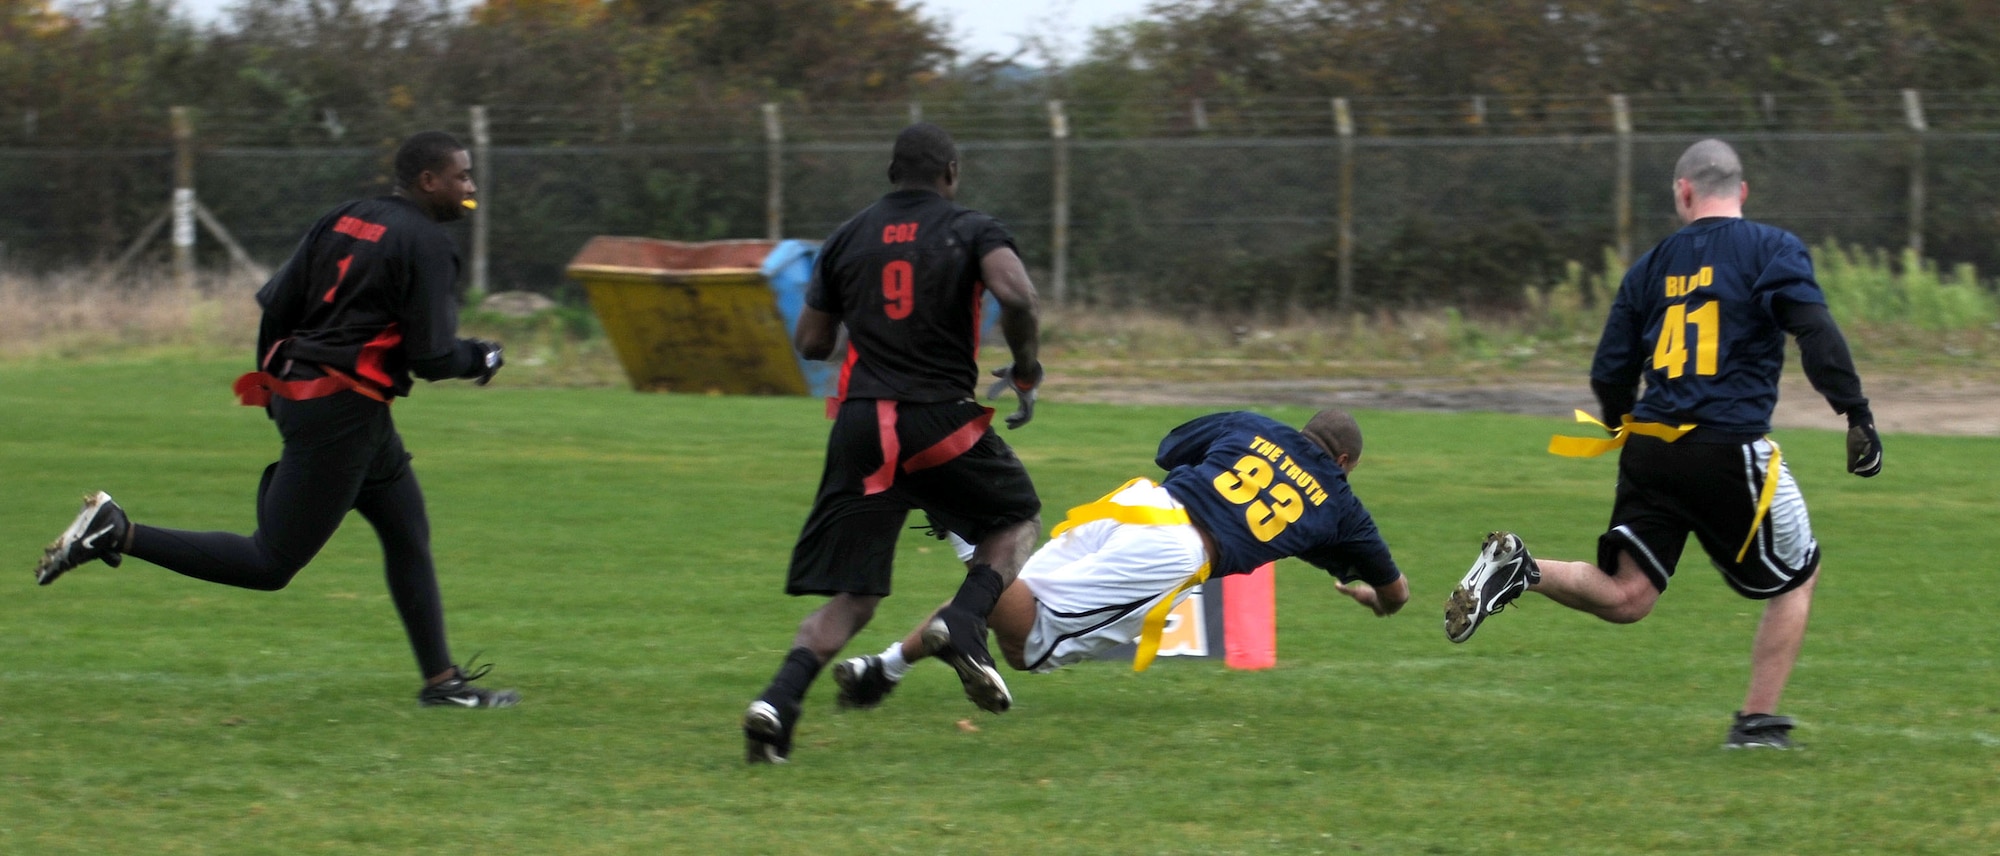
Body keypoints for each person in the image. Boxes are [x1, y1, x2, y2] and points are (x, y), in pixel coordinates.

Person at [34, 131, 519, 709]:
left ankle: (443, 685)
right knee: (270, 563)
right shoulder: (428, 245)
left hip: (318, 396)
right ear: (428, 181)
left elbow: (277, 304)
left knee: (406, 531)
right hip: (343, 408)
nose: (470, 188)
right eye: (462, 177)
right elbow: (432, 356)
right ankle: (116, 530)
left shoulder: (345, 216)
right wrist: (481, 356)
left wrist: (270, 381)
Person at [1443, 138, 1882, 749]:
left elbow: (1609, 371)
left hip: (1650, 444)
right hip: (1728, 446)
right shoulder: (1772, 248)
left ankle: (1523, 568)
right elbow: (1815, 331)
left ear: (1683, 191)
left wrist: (1624, 426)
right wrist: (1855, 413)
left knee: (1628, 596)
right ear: (1743, 192)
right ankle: (1757, 726)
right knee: (1797, 579)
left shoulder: (1649, 267)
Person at [743, 123, 1045, 764]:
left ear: (889, 174)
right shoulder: (971, 228)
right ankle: (963, 621)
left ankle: (777, 703)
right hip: (938, 417)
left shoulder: (846, 237)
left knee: (856, 594)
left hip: (860, 425)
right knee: (1016, 519)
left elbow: (813, 344)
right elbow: (1017, 292)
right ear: (951, 174)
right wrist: (1024, 368)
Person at [831, 409, 1408, 708]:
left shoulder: (1255, 425)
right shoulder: (1341, 506)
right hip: (1174, 550)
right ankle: (963, 521)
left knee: (1008, 590)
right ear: (1348, 461)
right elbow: (1396, 592)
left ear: (1303, 429)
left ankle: (881, 669)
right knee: (1028, 646)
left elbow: (1170, 449)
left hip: (1138, 504)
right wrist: (1371, 598)